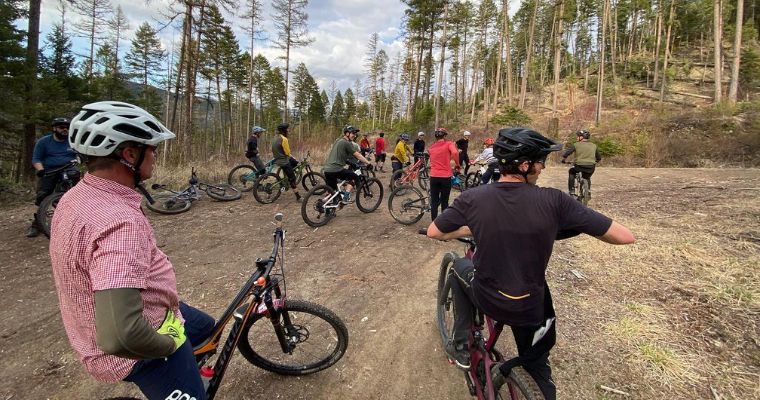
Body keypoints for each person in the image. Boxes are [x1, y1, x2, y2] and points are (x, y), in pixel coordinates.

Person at [426, 127, 635, 400]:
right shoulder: (555, 201)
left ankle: (460, 347)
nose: (542, 168)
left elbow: (434, 231)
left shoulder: (474, 198)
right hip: (529, 306)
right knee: (538, 366)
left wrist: (471, 228)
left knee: (458, 270)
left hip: (489, 297)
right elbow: (624, 237)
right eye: (540, 162)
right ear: (524, 165)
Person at [48, 101, 215, 400]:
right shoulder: (120, 223)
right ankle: (179, 381)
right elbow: (121, 335)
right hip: (140, 347)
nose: (155, 155)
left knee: (206, 329)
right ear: (129, 154)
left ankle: (185, 373)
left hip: (142, 310)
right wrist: (169, 344)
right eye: (152, 149)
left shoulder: (75, 197)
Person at [27, 117, 79, 237]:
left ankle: (75, 220)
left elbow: (81, 153)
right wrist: (40, 170)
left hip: (69, 167)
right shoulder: (44, 142)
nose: (64, 130)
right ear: (54, 128)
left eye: (67, 127)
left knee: (76, 193)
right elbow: (36, 158)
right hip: (49, 170)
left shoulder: (72, 141)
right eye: (61, 127)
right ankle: (37, 224)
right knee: (42, 196)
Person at [323, 125, 373, 204]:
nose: (355, 135)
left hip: (327, 169)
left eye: (355, 134)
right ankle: (347, 196)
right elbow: (358, 155)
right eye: (353, 133)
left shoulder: (338, 140)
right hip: (336, 169)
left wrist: (349, 162)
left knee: (333, 192)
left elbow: (340, 155)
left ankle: (326, 207)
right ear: (347, 133)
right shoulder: (347, 143)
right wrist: (368, 163)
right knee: (355, 176)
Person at [427, 128, 460, 220]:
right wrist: (457, 164)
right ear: (445, 136)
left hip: (433, 176)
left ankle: (434, 223)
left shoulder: (431, 147)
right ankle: (443, 223)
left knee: (434, 201)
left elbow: (431, 160)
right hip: (445, 176)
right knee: (444, 201)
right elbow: (455, 152)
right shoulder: (449, 143)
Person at [561, 130, 601, 196]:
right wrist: (594, 162)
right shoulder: (594, 146)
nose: (577, 138)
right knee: (587, 177)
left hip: (579, 166)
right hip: (591, 167)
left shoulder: (576, 145)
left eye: (578, 136)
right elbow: (599, 158)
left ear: (581, 137)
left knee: (571, 172)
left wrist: (564, 159)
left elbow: (567, 153)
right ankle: (588, 191)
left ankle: (572, 190)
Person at [272, 122, 302, 202]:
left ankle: (287, 177)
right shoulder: (284, 139)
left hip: (277, 159)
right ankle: (298, 197)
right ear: (284, 130)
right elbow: (287, 152)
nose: (288, 130)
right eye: (287, 129)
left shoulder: (276, 137)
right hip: (284, 161)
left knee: (293, 163)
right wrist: (293, 157)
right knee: (292, 178)